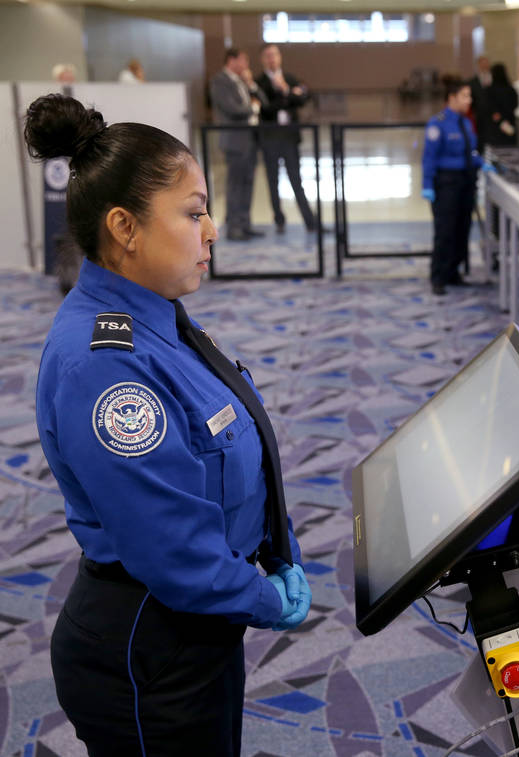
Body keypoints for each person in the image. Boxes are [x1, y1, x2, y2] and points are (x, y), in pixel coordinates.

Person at [24, 93, 311, 756]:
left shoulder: (154, 315)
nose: (211, 229)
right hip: (151, 647)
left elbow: (225, 452)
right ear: (124, 228)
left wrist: (272, 550)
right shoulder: (106, 366)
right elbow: (171, 549)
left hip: (200, 623)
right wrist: (266, 596)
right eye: (192, 212)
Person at [422, 76, 486, 296]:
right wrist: (427, 184)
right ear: (452, 98)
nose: (469, 100)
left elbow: (470, 151)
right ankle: (438, 277)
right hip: (446, 183)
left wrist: (482, 163)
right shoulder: (437, 123)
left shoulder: (466, 122)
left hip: (466, 182)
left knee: (462, 229)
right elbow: (429, 157)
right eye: (465, 96)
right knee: (445, 232)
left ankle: (453, 273)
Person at [255, 43, 318, 234]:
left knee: (296, 180)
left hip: (289, 138)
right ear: (263, 59)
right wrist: (285, 98)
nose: (272, 59)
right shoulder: (259, 83)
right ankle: (279, 221)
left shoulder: (289, 79)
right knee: (272, 181)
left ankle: (310, 222)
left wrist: (286, 90)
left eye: (274, 54)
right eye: (268, 55)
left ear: (280, 57)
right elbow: (264, 109)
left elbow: (303, 99)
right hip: (270, 138)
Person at [209, 49, 265, 241]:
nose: (246, 64)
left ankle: (245, 223)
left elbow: (261, 100)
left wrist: (250, 84)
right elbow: (233, 109)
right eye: (244, 60)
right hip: (234, 140)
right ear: (231, 60)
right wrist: (253, 108)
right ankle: (234, 227)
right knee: (235, 184)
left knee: (248, 183)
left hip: (249, 139)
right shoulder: (220, 81)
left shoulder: (241, 80)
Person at [481, 62, 518, 148]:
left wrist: (497, 114)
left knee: (495, 152)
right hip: (509, 123)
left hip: (494, 126)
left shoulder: (489, 90)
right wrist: (505, 117)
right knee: (509, 151)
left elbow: (486, 106)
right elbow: (515, 104)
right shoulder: (511, 89)